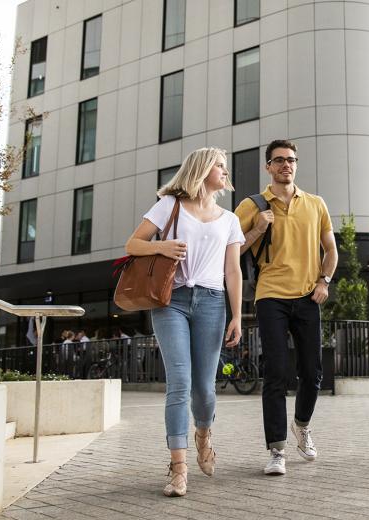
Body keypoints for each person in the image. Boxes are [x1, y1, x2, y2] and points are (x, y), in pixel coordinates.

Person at [125, 147, 244, 497]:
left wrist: (237, 315)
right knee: (179, 383)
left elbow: (233, 271)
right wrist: (160, 248)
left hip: (211, 302)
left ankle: (203, 434)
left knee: (205, 389)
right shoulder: (169, 206)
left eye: (223, 166)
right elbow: (132, 244)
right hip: (170, 301)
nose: (225, 171)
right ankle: (178, 467)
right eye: (219, 166)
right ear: (202, 170)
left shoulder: (230, 219)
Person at [234, 139, 337, 476]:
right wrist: (258, 228)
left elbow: (331, 251)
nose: (285, 165)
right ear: (268, 167)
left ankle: (302, 426)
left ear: (296, 164)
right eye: (278, 160)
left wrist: (324, 281)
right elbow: (230, 251)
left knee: (313, 372)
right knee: (277, 372)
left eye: (290, 160)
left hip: (308, 296)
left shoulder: (316, 204)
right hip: (271, 295)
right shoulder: (252, 205)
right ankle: (276, 449)